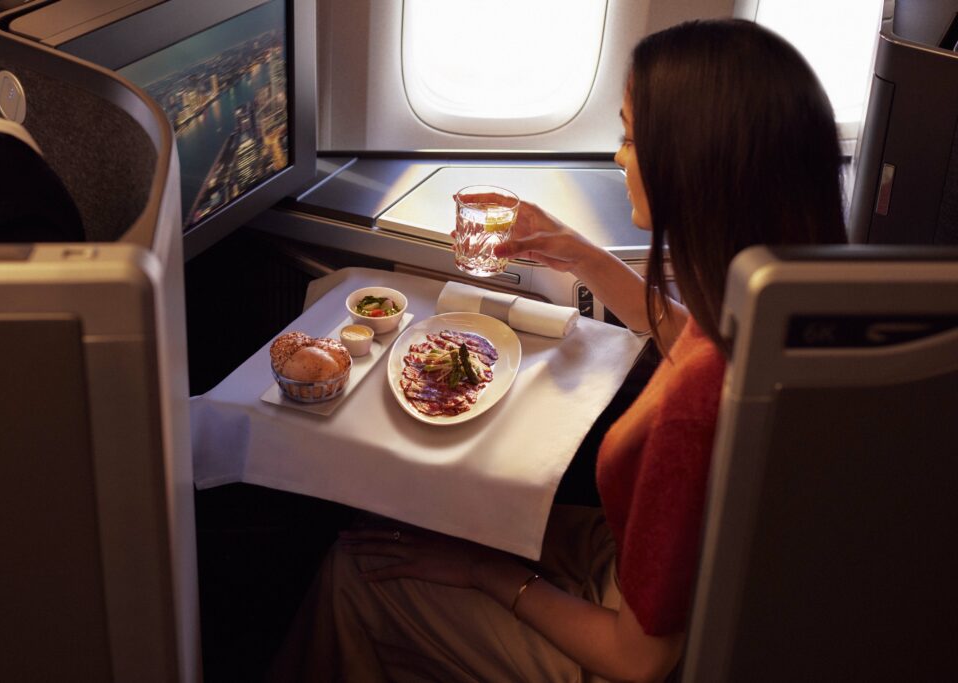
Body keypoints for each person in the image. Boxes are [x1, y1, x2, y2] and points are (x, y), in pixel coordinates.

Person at [271, 18, 847, 682]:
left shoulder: (698, 405)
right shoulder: (768, 321)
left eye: (631, 136)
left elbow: (639, 658)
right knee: (402, 525)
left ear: (687, 165)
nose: (619, 158)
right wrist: (576, 251)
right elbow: (685, 336)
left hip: (623, 644)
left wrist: (485, 572)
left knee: (358, 572)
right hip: (639, 575)